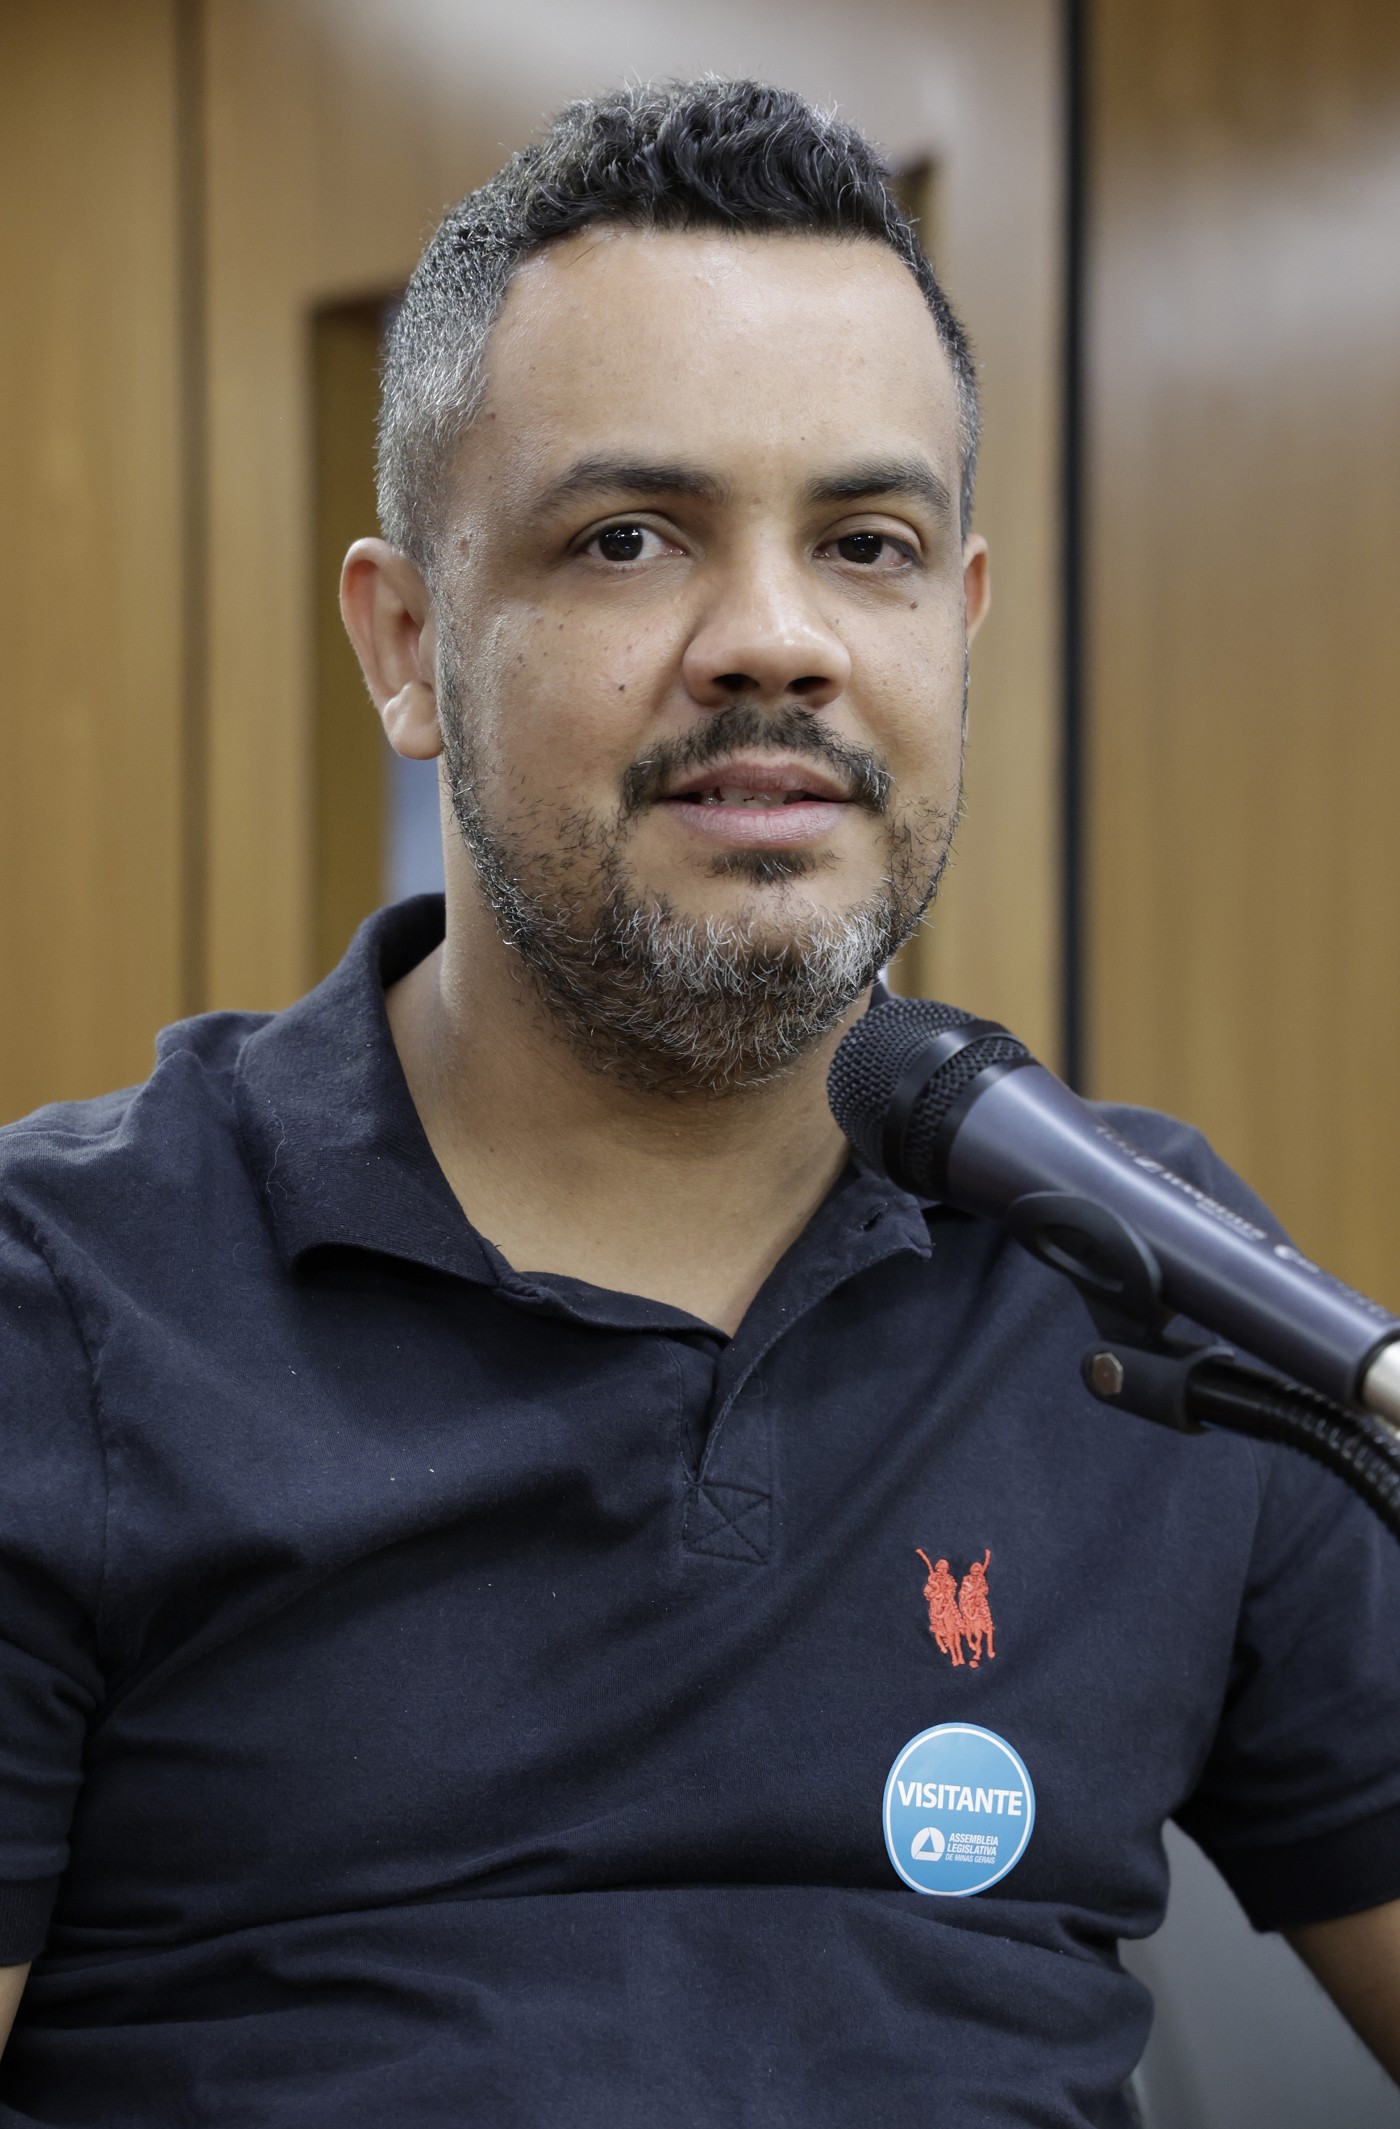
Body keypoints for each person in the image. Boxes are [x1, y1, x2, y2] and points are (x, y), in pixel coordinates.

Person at [0, 77, 1397, 2127]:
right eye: (630, 537)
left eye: (865, 545)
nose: (775, 641)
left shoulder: (1148, 1276)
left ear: (959, 623)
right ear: (406, 646)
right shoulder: (62, 1303)